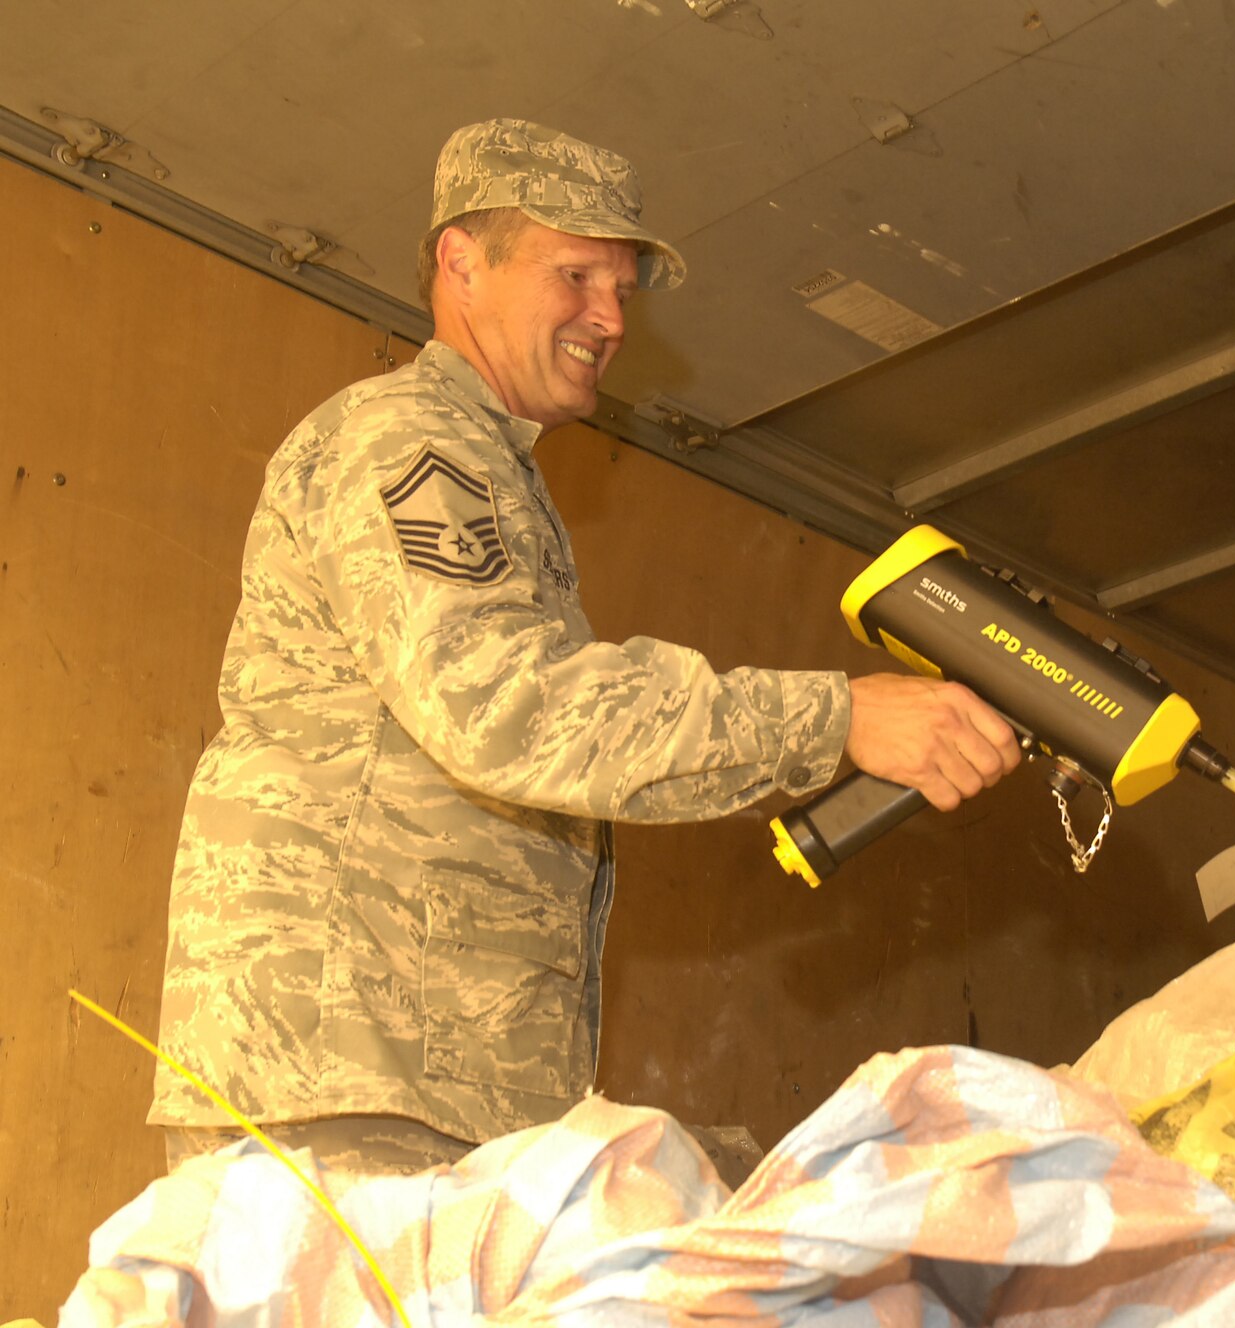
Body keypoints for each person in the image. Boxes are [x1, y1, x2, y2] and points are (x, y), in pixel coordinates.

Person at [149, 119, 1020, 1174]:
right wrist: (839, 715)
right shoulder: (410, 440)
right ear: (459, 263)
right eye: (574, 275)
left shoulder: (490, 471)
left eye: (623, 289)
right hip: (347, 1071)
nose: (608, 318)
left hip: (423, 1079)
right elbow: (504, 706)